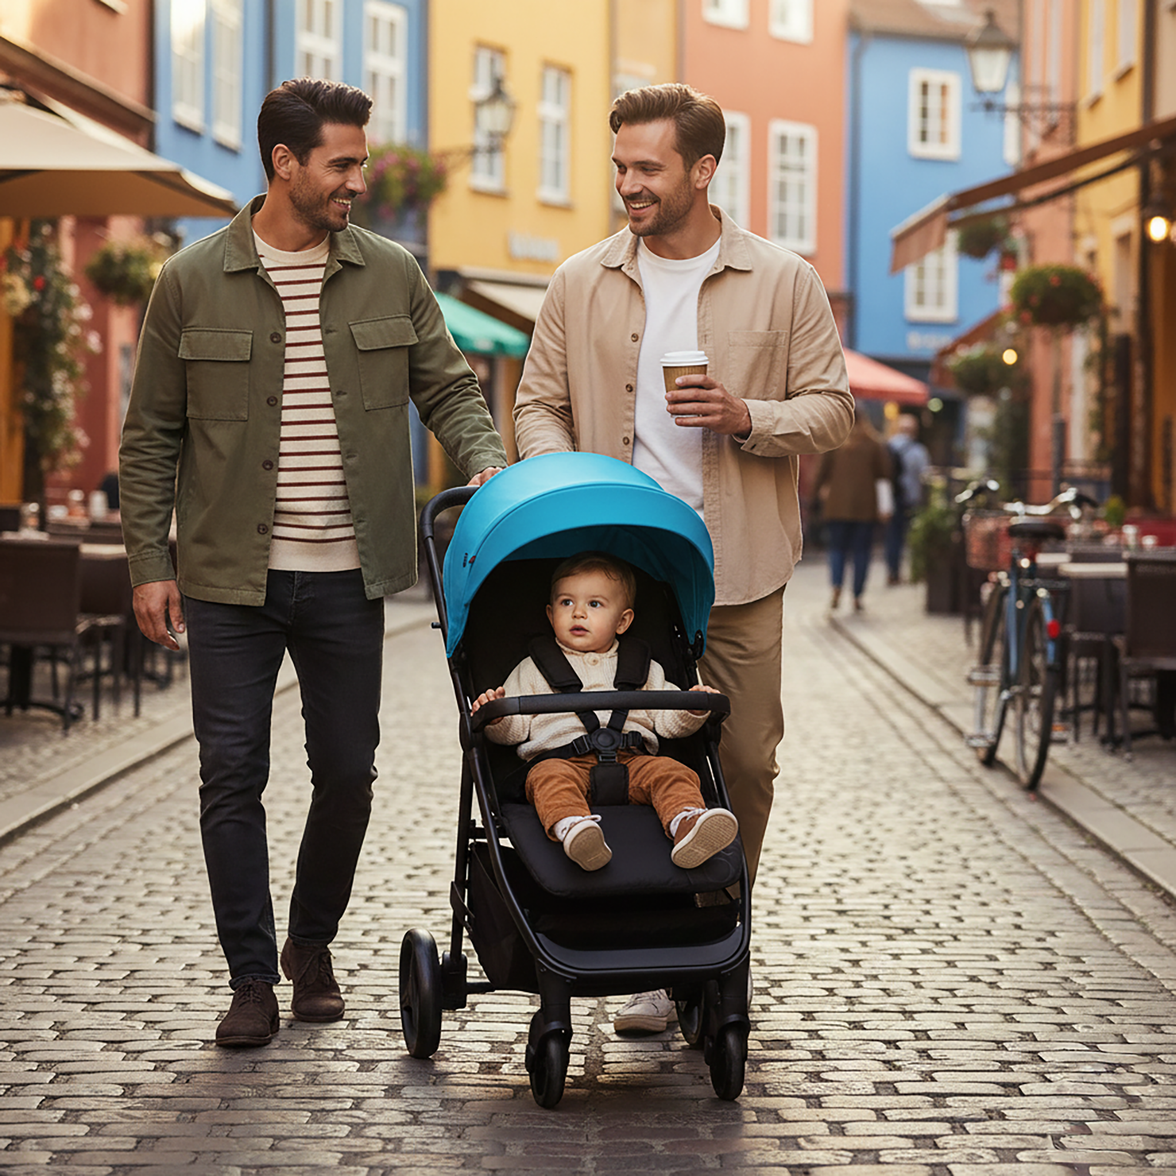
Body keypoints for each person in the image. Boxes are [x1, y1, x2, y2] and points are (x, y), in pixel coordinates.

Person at [118, 79, 508, 1049]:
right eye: (342, 163)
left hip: (347, 575)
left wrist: (490, 466)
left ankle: (311, 943)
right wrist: (148, 562)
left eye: (361, 163)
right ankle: (252, 978)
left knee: (347, 773)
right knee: (230, 775)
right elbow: (151, 434)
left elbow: (448, 390)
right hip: (227, 580)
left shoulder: (391, 272)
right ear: (284, 163)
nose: (358, 182)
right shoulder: (190, 280)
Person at [512, 83, 853, 1034]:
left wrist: (747, 416)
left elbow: (833, 409)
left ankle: (709, 941)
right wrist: (565, 480)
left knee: (744, 760)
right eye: (619, 165)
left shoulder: (784, 279)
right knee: (608, 750)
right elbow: (537, 403)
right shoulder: (579, 280)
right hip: (615, 570)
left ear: (703, 171)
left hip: (737, 570)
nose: (627, 183)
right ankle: (639, 946)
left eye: (647, 168)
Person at [471, 552, 737, 872]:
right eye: (566, 603)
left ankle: (686, 823)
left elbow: (667, 721)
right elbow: (516, 730)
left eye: (594, 604)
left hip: (634, 761)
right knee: (546, 779)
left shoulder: (643, 667)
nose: (578, 613)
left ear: (622, 622)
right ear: (550, 613)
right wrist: (497, 717)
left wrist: (692, 709)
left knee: (674, 772)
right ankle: (574, 828)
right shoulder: (533, 668)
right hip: (561, 760)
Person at [812, 413, 892, 613]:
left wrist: (814, 497)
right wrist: (885, 506)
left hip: (837, 506)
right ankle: (857, 595)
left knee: (836, 549)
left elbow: (821, 473)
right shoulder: (874, 444)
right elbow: (884, 474)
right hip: (865, 508)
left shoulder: (834, 441)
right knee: (861, 552)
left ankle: (836, 587)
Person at [884, 414, 930, 585]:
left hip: (891, 498)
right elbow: (925, 475)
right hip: (911, 498)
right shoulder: (918, 451)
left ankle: (892, 572)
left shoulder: (887, 446)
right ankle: (914, 572)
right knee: (913, 536)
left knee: (892, 537)